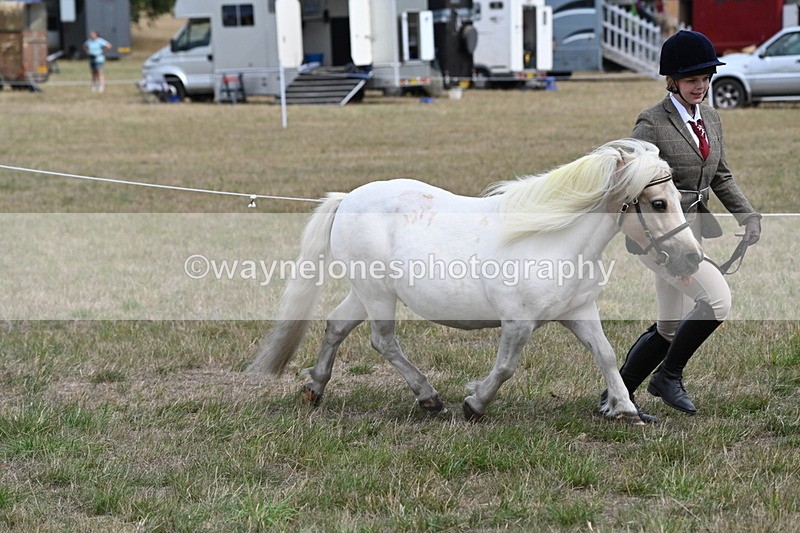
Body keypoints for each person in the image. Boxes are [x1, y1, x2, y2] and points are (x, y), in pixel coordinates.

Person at [612, 30, 762, 421]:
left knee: (669, 325)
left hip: (690, 232)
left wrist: (747, 215)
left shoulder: (710, 118)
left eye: (706, 78)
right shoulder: (652, 123)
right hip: (659, 238)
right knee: (717, 300)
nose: (702, 86)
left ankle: (616, 395)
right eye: (692, 79)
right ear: (673, 81)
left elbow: (721, 176)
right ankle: (668, 376)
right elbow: (630, 179)